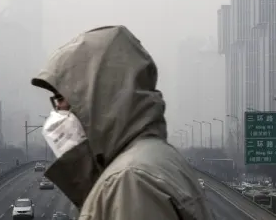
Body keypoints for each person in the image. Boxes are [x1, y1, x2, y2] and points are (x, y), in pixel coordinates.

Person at [31, 25, 213, 219]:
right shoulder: (151, 161)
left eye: (60, 98)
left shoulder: (130, 180)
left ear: (97, 97)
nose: (57, 112)